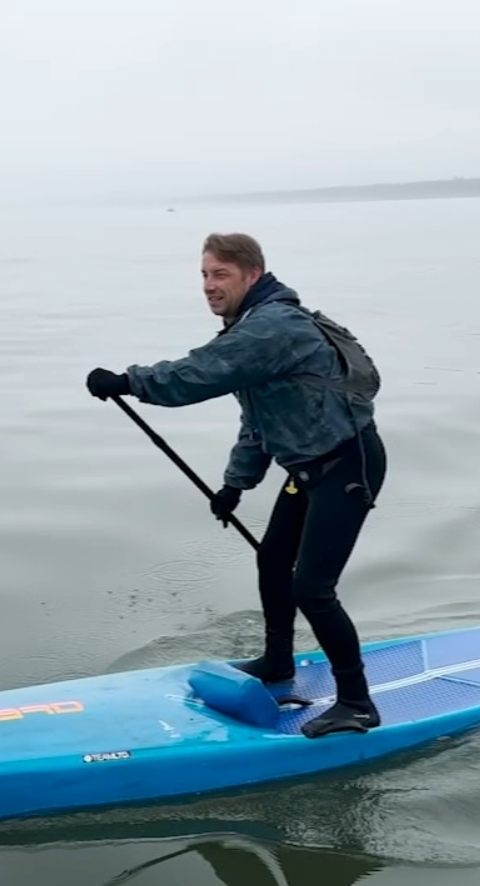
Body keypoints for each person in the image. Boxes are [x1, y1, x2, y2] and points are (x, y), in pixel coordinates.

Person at [85, 232, 388, 739]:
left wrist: (130, 382)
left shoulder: (272, 327)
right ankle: (278, 662)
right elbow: (260, 419)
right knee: (272, 559)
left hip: (346, 467)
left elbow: (202, 372)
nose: (209, 285)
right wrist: (236, 484)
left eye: (220, 274)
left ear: (252, 275)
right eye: (204, 275)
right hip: (307, 470)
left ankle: (357, 704)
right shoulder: (251, 326)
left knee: (313, 588)